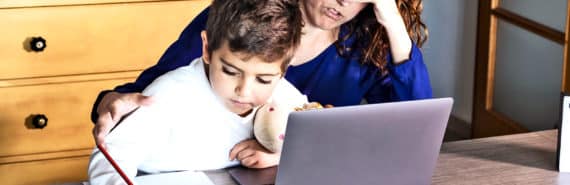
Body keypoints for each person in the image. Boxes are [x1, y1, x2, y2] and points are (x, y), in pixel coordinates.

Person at [92, 0, 431, 168]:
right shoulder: (245, 18)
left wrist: (393, 26)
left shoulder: (365, 44)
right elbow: (156, 88)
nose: (342, 2)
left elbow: (416, 134)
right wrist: (111, 101)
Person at [87, 0, 303, 183]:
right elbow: (111, 156)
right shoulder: (170, 94)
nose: (244, 91)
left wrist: (281, 154)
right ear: (207, 49)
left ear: (284, 69)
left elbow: (321, 143)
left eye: (263, 80)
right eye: (230, 71)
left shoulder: (285, 97)